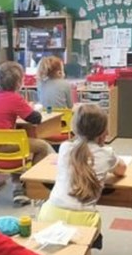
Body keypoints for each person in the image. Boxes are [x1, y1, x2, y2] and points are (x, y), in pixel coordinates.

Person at [38, 104, 126, 243]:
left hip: (50, 213)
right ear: (103, 132)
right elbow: (121, 170)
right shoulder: (107, 154)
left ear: (74, 127)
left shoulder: (64, 147)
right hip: (85, 220)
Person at [0, 61, 55, 206]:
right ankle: (30, 186)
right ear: (18, 83)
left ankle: (18, 186)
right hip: (3, 150)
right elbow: (35, 119)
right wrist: (29, 108)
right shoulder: (14, 98)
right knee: (42, 147)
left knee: (18, 139)